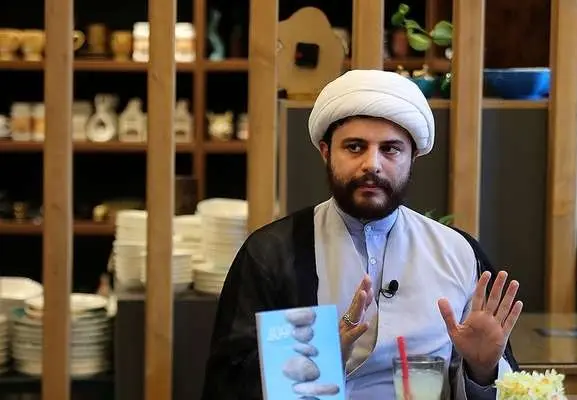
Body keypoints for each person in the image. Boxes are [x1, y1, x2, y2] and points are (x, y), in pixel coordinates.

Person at [201, 70, 523, 400]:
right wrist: (321, 363)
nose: (372, 164)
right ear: (326, 152)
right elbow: (227, 384)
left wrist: (482, 371)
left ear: (413, 157)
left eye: (391, 149)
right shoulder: (273, 252)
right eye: (355, 147)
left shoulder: (457, 252)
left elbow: (506, 385)